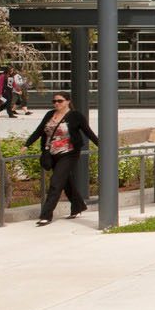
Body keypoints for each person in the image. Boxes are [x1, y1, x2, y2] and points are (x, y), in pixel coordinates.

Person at [23, 92, 100, 225]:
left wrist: (102, 146)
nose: (56, 103)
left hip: (69, 153)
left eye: (60, 101)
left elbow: (88, 132)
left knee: (56, 182)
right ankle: (78, 206)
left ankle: (46, 215)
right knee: (65, 181)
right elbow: (40, 130)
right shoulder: (49, 114)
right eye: (54, 101)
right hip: (51, 153)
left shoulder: (76, 116)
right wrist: (27, 144)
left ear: (67, 101)